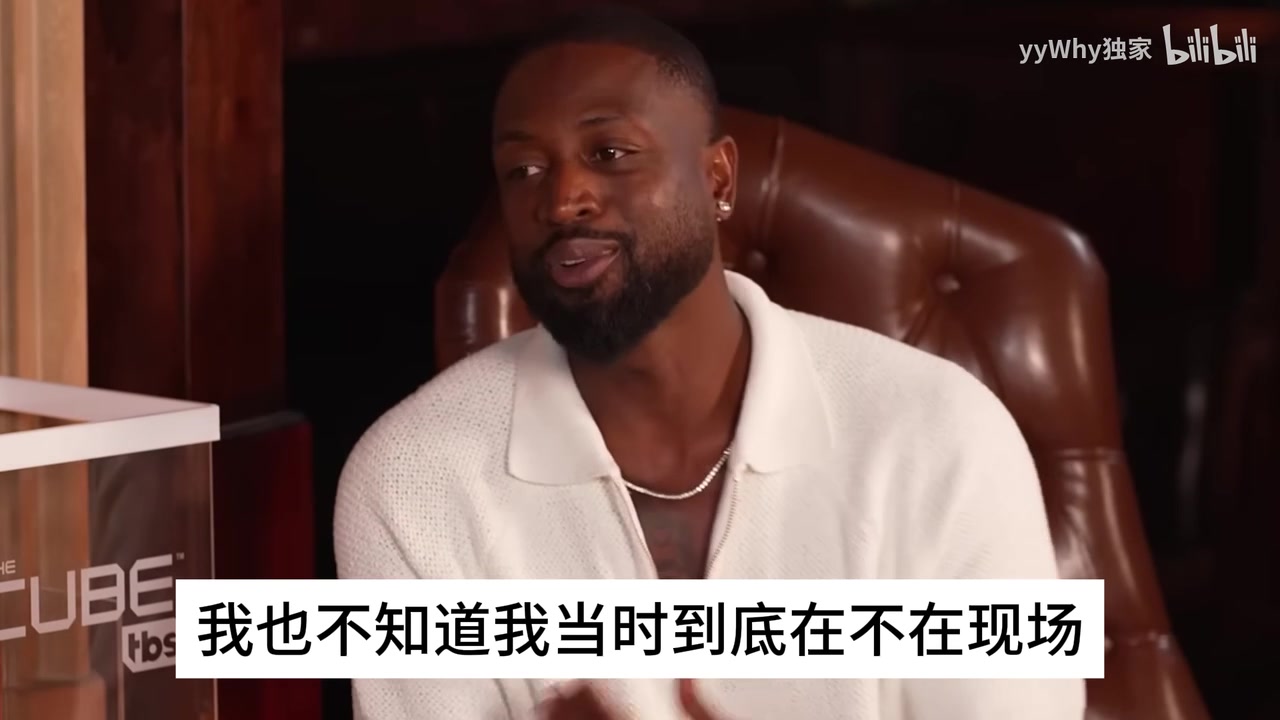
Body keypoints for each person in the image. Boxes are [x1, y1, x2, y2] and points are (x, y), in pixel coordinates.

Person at [334, 6, 1085, 719]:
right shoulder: (410, 476)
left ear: (718, 180)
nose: (562, 200)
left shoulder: (944, 431)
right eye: (523, 170)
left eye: (609, 154)